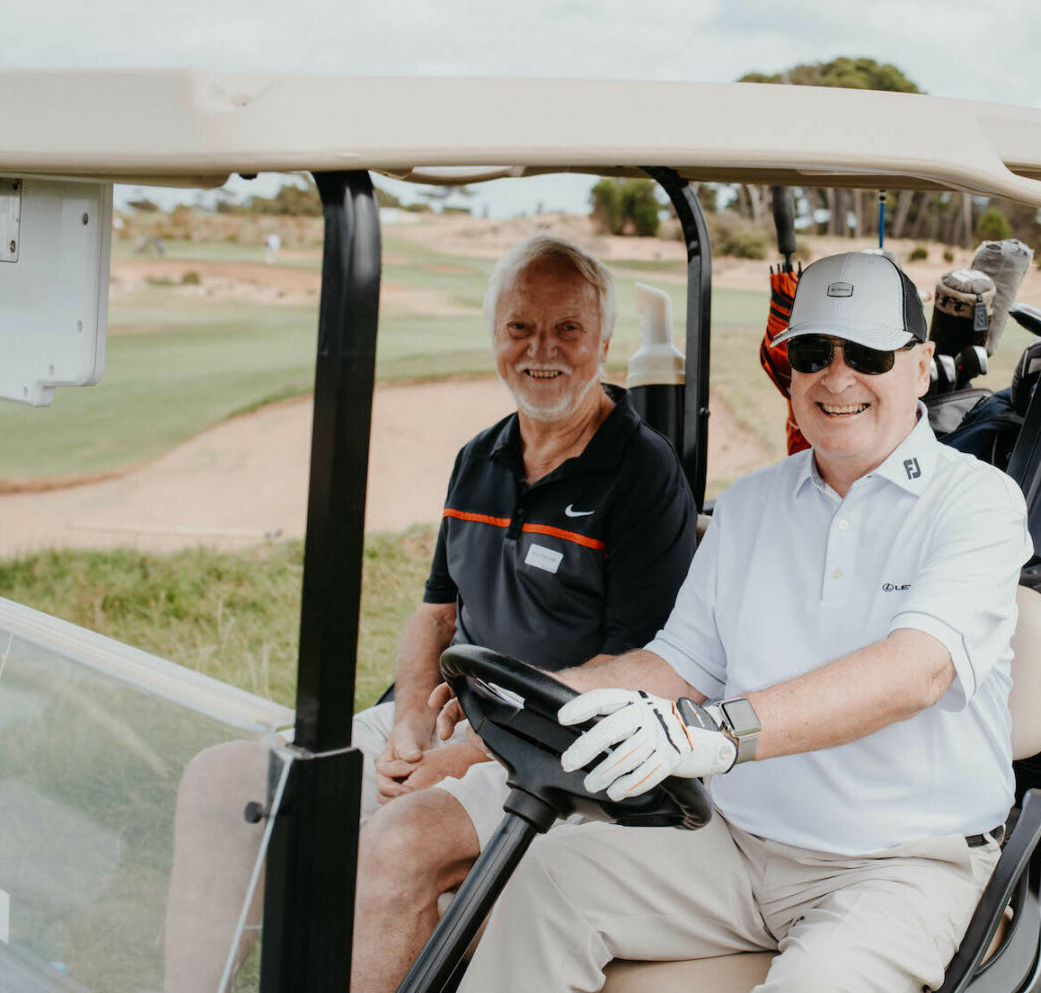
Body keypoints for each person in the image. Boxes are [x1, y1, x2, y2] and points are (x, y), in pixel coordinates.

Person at [444, 250, 1033, 993]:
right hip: (734, 841)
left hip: (900, 860)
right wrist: (538, 693)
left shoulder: (977, 501)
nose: (837, 379)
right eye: (813, 354)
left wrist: (716, 732)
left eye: (868, 355)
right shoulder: (752, 503)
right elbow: (677, 664)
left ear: (919, 367)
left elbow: (915, 671)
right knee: (544, 879)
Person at [162, 234, 697, 993]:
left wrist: (465, 754)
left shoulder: (643, 473)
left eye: (568, 329)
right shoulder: (479, 457)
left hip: (557, 752)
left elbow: (631, 674)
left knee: (397, 841)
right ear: (494, 337)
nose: (542, 350)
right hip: (452, 716)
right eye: (520, 327)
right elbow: (436, 614)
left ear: (603, 342)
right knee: (224, 782)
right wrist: (412, 721)